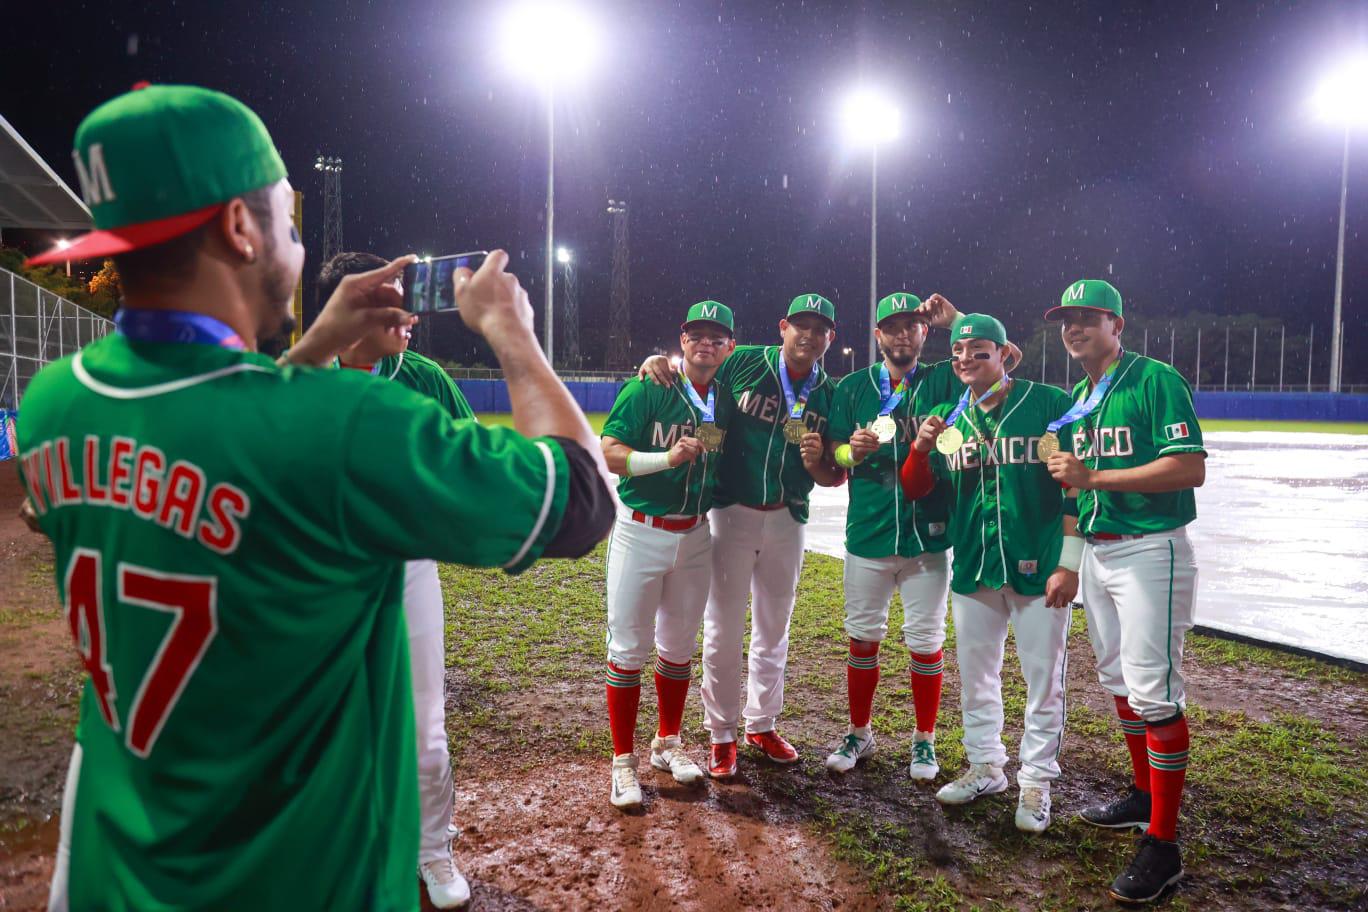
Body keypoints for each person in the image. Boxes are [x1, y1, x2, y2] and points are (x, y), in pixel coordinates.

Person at [20, 83, 613, 912]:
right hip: (295, 877)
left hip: (124, 865)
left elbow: (231, 443)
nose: (296, 248)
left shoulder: (54, 402)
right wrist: (513, 331)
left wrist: (318, 340)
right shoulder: (342, 424)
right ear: (238, 226)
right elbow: (581, 500)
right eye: (288, 224)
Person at [315, 251, 476, 907]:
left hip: (405, 569)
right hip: (323, 574)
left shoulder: (426, 376)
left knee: (425, 729)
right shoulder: (302, 377)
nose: (409, 311)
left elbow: (472, 461)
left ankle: (432, 849)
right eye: (389, 297)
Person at [1042, 280, 1205, 903]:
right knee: (1119, 682)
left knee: (1155, 693)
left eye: (1087, 318)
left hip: (1150, 549)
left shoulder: (1154, 378)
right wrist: (1072, 558)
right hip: (1101, 551)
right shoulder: (1082, 396)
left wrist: (1097, 474)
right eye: (1067, 320)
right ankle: (1143, 795)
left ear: (1117, 324)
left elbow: (1189, 467)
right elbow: (1078, 491)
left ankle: (1163, 845)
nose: (1074, 328)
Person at [640, 294, 845, 777]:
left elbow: (833, 475)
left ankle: (762, 723)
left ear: (830, 339)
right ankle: (722, 734)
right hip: (731, 512)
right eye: (800, 325)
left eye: (819, 329)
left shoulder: (829, 393)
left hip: (788, 517)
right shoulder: (744, 363)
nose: (808, 336)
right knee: (723, 629)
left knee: (775, 629)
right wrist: (660, 362)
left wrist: (819, 459)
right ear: (782, 327)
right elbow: (696, 374)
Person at [901, 312, 1080, 833]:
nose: (965, 360)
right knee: (977, 677)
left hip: (1039, 566)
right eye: (958, 353)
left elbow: (1076, 486)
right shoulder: (946, 416)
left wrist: (1070, 561)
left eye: (979, 350)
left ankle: (1037, 782)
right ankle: (986, 766)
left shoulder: (1049, 405)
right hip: (975, 565)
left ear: (1006, 355)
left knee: (1042, 681)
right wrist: (920, 447)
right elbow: (917, 487)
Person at [599, 301, 737, 808]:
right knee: (628, 651)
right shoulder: (648, 386)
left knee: (678, 648)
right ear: (681, 341)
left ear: (730, 347)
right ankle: (622, 763)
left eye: (715, 337)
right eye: (696, 335)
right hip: (641, 532)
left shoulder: (724, 398)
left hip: (696, 535)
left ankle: (668, 743)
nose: (705, 343)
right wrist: (667, 457)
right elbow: (610, 451)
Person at [822, 292, 958, 779]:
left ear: (925, 333)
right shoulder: (854, 387)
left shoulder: (944, 377)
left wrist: (957, 321)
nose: (902, 334)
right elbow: (835, 456)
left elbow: (999, 364)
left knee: (925, 643)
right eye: (892, 327)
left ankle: (925, 740)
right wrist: (848, 454)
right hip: (870, 532)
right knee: (863, 640)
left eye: (912, 326)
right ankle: (860, 732)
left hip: (927, 536)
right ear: (877, 335)